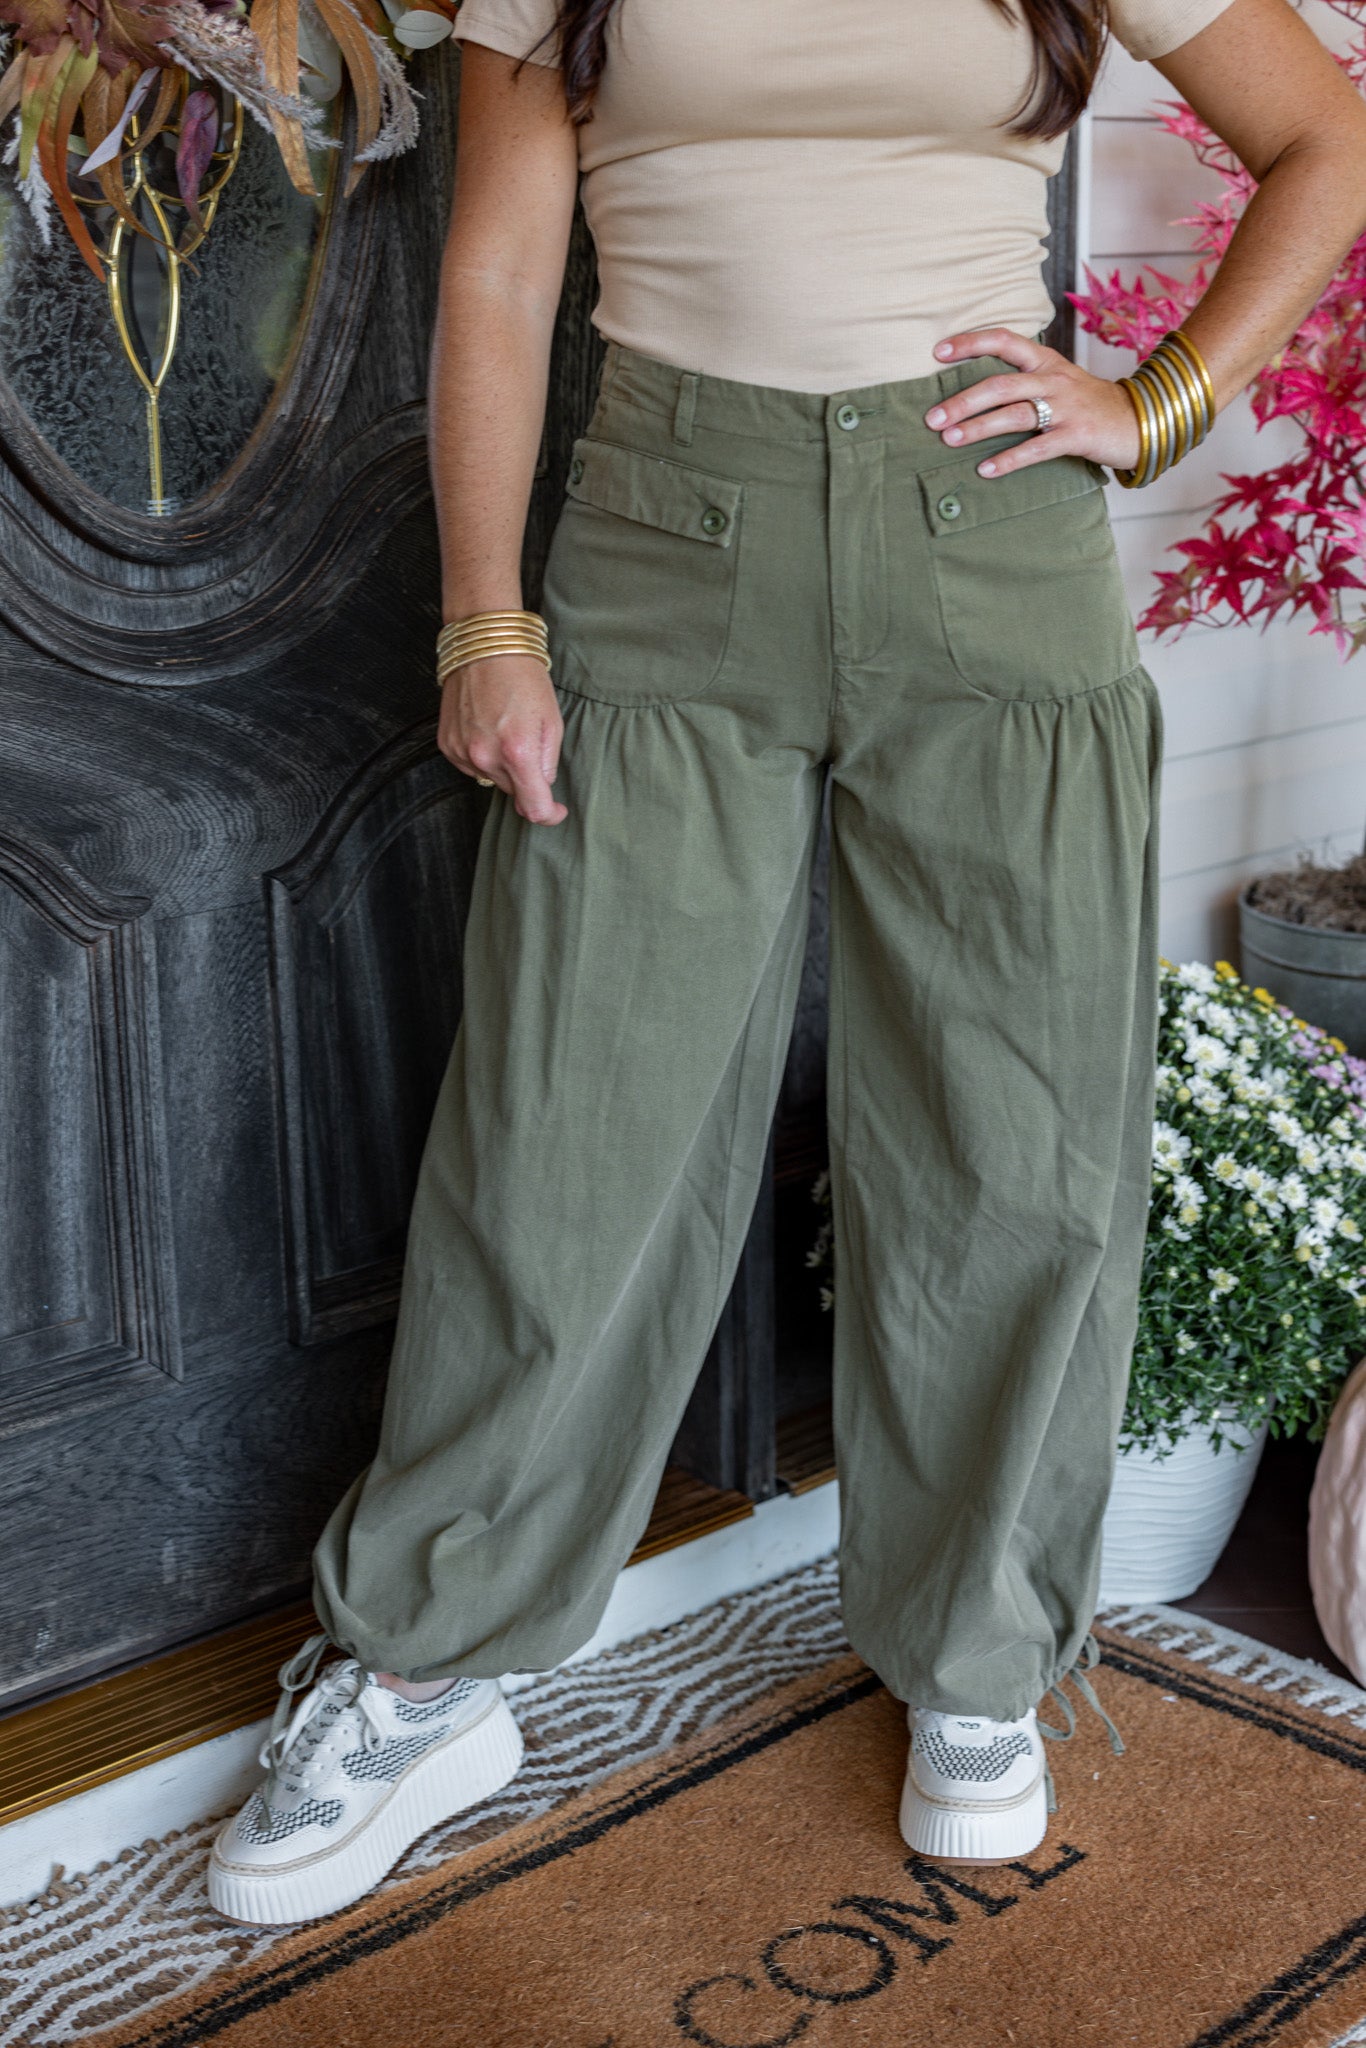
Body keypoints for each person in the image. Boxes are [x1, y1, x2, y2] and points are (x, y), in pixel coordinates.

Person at [207, 0, 1366, 1926]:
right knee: (564, 1133)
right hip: (665, 539)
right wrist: (482, 623)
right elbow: (497, 272)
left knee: (1013, 1137)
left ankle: (977, 1662)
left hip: (985, 535)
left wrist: (1154, 402)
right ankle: (429, 1663)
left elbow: (1327, 138)